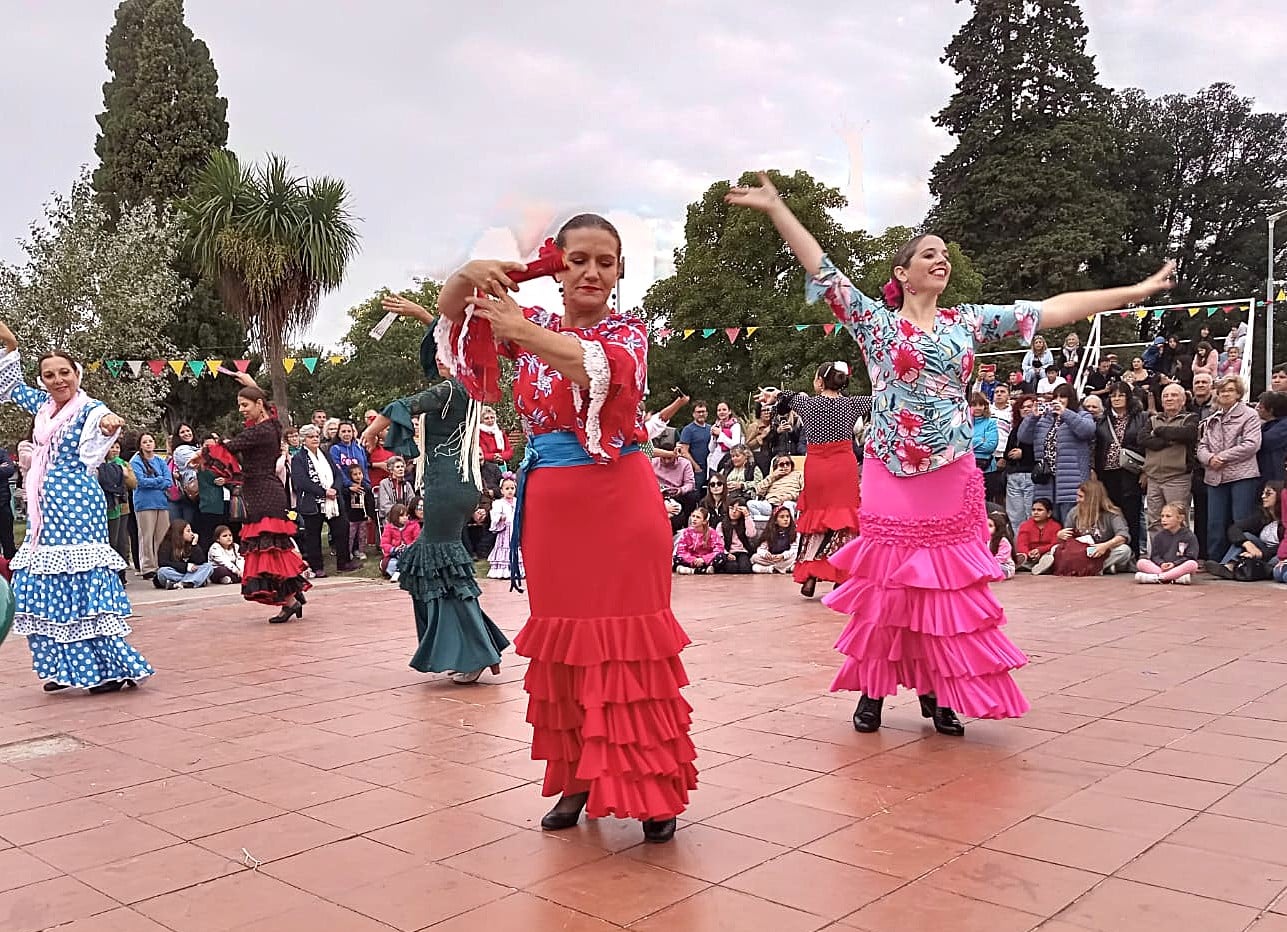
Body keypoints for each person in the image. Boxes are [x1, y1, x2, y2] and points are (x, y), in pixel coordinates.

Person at [726, 171, 1174, 736]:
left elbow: (1056, 309)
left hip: (953, 470)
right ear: (902, 274)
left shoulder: (968, 321)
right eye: (929, 254)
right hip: (891, 468)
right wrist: (777, 209)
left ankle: (939, 693)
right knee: (889, 586)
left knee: (946, 588)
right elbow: (822, 269)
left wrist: (1134, 293)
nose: (942, 261)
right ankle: (872, 690)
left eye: (944, 255)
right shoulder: (875, 324)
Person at [433, 213, 695, 842]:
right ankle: (577, 780)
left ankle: (652, 789)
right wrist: (468, 274)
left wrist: (520, 326)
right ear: (558, 266)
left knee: (633, 645)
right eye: (578, 259)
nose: (593, 272)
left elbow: (598, 368)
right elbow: (453, 319)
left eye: (606, 261)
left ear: (620, 270)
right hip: (551, 507)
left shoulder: (630, 332)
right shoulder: (531, 327)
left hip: (622, 502)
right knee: (564, 647)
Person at [360, 294, 511, 687]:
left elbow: (405, 404)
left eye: (446, 350)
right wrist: (421, 314)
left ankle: (476, 651)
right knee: (443, 568)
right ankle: (481, 646)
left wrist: (373, 429)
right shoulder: (467, 388)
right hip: (456, 485)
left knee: (436, 565)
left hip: (447, 487)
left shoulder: (450, 391)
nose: (438, 355)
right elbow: (449, 342)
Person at [0, 322, 152, 692]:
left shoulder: (90, 408)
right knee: (40, 586)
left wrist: (108, 424)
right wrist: (10, 343)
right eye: (49, 375)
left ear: (77, 374)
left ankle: (108, 670)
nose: (57, 380)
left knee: (80, 584)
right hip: (43, 510)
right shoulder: (42, 406)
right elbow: (9, 388)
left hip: (76, 506)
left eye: (63, 372)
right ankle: (65, 667)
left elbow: (103, 424)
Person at [764, 362, 872, 598]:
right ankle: (841, 574)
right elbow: (881, 402)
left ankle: (811, 574)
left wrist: (776, 395)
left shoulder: (808, 404)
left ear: (820, 381)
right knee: (844, 519)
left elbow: (783, 403)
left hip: (818, 466)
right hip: (843, 465)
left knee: (817, 518)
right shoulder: (852, 403)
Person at [217, 369, 310, 622]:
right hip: (265, 492)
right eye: (239, 405)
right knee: (274, 550)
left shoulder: (260, 432)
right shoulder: (271, 424)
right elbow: (266, 409)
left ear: (258, 405)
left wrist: (200, 455)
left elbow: (227, 448)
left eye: (245, 404)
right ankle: (294, 594)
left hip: (264, 494)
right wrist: (251, 384)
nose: (241, 409)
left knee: (268, 552)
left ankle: (290, 601)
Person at [1197, 375, 1263, 558]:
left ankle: (1239, 560)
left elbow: (1252, 444)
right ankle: (1215, 560)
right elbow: (1201, 446)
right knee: (1215, 522)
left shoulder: (1250, 415)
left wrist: (1222, 457)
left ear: (1239, 393)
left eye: (1230, 390)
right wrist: (1209, 459)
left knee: (1240, 521)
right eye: (1222, 390)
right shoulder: (1212, 418)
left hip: (1242, 476)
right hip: (1215, 476)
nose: (1225, 393)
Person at [1018, 383, 1095, 524]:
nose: (1059, 400)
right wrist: (1032, 417)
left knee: (1070, 524)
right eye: (1056, 397)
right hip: (1046, 481)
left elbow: (1087, 431)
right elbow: (1024, 437)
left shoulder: (1081, 414)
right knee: (1050, 527)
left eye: (1063, 397)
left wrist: (1065, 413)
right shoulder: (1045, 418)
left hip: (1071, 481)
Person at [290, 424, 357, 577]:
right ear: (303, 440)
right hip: (312, 503)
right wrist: (323, 492)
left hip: (333, 501)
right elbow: (301, 481)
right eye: (311, 437)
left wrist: (334, 488)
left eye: (316, 436)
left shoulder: (325, 454)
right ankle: (317, 567)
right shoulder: (298, 459)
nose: (315, 439)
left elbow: (337, 474)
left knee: (342, 528)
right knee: (313, 535)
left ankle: (344, 562)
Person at [1032, 479, 1133, 576]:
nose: (1077, 500)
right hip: (1080, 551)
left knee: (1124, 550)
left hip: (1101, 551)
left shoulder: (1112, 514)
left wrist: (1104, 546)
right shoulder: (1074, 512)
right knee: (1055, 548)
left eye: (1080, 497)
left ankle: (1089, 568)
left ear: (1091, 499)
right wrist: (1060, 535)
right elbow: (1067, 539)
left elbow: (1123, 536)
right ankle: (1099, 568)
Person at [1095, 385, 1147, 558]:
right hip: (1107, 473)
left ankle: (1133, 554)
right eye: (1113, 395)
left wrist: (1145, 471)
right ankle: (1114, 553)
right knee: (1111, 513)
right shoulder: (1102, 420)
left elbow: (1146, 447)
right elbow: (1096, 447)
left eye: (1121, 395)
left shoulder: (1141, 418)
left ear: (1128, 397)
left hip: (1130, 472)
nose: (1116, 399)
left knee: (1132, 513)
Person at [1140, 383, 1199, 534]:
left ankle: (1180, 556)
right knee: (1154, 522)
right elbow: (1142, 439)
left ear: (1183, 400)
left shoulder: (1190, 418)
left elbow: (1188, 434)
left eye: (1174, 395)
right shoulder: (1152, 419)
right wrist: (1169, 440)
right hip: (1153, 478)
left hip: (1177, 478)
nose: (1169, 399)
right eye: (1165, 396)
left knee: (1178, 520)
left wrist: (1159, 431)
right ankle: (1156, 556)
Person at [130, 434, 172, 579]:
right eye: (145, 442)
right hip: (145, 503)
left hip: (161, 502)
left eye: (150, 441)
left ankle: (162, 563)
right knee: (146, 536)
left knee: (162, 536)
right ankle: (148, 567)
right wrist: (159, 480)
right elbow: (140, 481)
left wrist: (156, 481)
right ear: (140, 445)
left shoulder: (160, 461)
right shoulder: (135, 461)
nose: (148, 444)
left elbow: (168, 480)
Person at [1135, 502, 1201, 584]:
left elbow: (1191, 557)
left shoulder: (1189, 536)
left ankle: (1159, 577)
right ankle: (1174, 579)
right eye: (1162, 516)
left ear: (1180, 518)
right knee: (1141, 563)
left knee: (1192, 564)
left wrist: (1174, 564)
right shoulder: (1159, 536)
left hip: (1179, 567)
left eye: (1168, 516)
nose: (1163, 519)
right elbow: (1155, 556)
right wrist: (1161, 563)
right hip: (1162, 567)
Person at [1003, 395, 1038, 536]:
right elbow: (1006, 453)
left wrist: (1025, 454)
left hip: (1031, 474)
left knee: (1032, 514)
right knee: (1015, 517)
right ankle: (1019, 550)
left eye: (1029, 406)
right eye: (1023, 407)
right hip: (1014, 475)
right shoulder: (1015, 429)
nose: (1026, 410)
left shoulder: (1039, 427)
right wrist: (1011, 455)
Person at [155, 519, 215, 589]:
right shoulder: (166, 544)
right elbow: (163, 563)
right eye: (188, 531)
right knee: (162, 572)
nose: (192, 534)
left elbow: (200, 561)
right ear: (179, 533)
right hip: (176, 572)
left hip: (191, 573)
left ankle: (180, 583)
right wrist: (186, 567)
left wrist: (194, 545)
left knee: (208, 566)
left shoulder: (191, 544)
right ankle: (193, 581)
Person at [748, 455, 803, 523]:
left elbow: (804, 491)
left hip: (788, 502)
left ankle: (787, 529)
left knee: (787, 504)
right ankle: (767, 524)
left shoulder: (799, 474)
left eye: (788, 464)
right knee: (750, 504)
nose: (785, 466)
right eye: (782, 464)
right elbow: (759, 492)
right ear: (776, 466)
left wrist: (790, 497)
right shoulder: (772, 476)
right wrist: (772, 476)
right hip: (770, 504)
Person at [971, 393, 1003, 505]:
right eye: (974, 405)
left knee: (987, 504)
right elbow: (959, 445)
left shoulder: (991, 422)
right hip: (968, 469)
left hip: (988, 470)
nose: (978, 408)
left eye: (981, 404)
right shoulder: (963, 423)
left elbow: (990, 446)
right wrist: (980, 440)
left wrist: (970, 441)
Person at [486, 475, 520, 579]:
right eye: (507, 488)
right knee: (504, 547)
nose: (510, 491)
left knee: (517, 548)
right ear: (502, 490)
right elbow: (494, 515)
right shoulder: (499, 503)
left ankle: (516, 569)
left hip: (515, 530)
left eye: (512, 488)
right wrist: (500, 517)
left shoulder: (517, 502)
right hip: (505, 531)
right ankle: (503, 570)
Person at [1015, 498, 1061, 571]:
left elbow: (1054, 543)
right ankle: (1028, 566)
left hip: (1046, 553)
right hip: (1029, 555)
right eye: (1033, 510)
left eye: (1039, 510)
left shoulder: (1055, 526)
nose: (1035, 512)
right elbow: (1022, 544)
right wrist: (1029, 553)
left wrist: (1040, 550)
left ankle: (1039, 567)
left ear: (1049, 513)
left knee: (1050, 556)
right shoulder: (1025, 525)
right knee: (1021, 556)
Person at [674, 507, 724, 573]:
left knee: (721, 557)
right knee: (677, 558)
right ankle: (700, 570)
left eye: (698, 517)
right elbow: (681, 550)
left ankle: (693, 570)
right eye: (693, 516)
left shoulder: (712, 532)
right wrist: (692, 559)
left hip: (706, 560)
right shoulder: (686, 532)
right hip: (691, 559)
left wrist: (704, 559)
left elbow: (719, 548)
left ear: (704, 521)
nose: (694, 519)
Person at [677, 401, 712, 493]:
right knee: (694, 495)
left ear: (707, 413)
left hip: (710, 469)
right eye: (698, 412)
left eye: (703, 411)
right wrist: (696, 467)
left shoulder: (711, 429)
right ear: (693, 414)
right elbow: (684, 451)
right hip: (695, 471)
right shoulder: (688, 430)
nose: (701, 414)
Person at [751, 505, 798, 574]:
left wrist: (783, 556)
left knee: (795, 556)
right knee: (755, 559)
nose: (786, 519)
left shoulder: (794, 531)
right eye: (782, 517)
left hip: (785, 558)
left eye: (787, 516)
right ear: (775, 521)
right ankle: (772, 569)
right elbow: (761, 549)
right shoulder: (770, 532)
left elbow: (794, 549)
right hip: (773, 559)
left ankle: (779, 568)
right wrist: (766, 554)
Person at [380, 503, 420, 581]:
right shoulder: (388, 528)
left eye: (406, 515)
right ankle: (402, 572)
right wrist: (394, 549)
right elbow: (384, 544)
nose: (405, 518)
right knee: (387, 564)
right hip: (395, 555)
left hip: (411, 554)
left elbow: (418, 540)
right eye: (402, 516)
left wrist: (409, 547)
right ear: (395, 517)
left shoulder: (414, 525)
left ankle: (400, 572)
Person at [478, 405, 513, 493]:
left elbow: (509, 450)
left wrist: (501, 456)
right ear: (482, 419)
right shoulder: (479, 434)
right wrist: (494, 456)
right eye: (487, 418)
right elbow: (481, 453)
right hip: (487, 467)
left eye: (492, 417)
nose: (490, 420)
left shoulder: (500, 432)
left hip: (502, 465)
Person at [1256, 391, 1287, 486]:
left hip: (1276, 478)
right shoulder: (1267, 425)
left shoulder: (1284, 425)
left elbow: (1263, 442)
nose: (1256, 408)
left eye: (1260, 407)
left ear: (1271, 410)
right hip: (1264, 475)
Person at [988, 511, 1016, 579]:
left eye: (990, 526)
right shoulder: (983, 539)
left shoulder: (1003, 541)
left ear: (998, 528)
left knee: (988, 569)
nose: (986, 528)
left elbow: (1001, 558)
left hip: (1005, 567)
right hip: (988, 564)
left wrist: (987, 563)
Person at [0, 442, 15, 559]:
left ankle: (9, 571)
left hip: (3, 503)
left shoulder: (1, 452)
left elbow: (9, 469)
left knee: (8, 539)